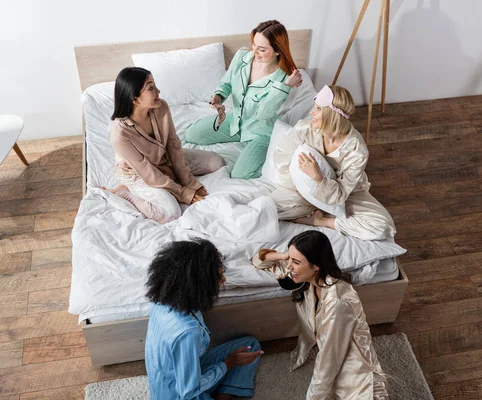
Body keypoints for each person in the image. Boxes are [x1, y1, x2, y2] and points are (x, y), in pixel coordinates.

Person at [256, 231, 388, 400]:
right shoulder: (305, 276)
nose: (289, 266)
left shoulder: (338, 302)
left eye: (295, 262)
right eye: (290, 259)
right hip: (333, 353)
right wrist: (285, 255)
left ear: (316, 265)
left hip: (354, 366)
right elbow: (259, 260)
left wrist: (312, 397)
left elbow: (329, 360)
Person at [270, 85, 396, 241]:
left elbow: (342, 193)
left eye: (317, 109)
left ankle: (323, 220)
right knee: (268, 210)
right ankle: (315, 208)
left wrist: (319, 179)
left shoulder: (357, 150)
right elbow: (282, 156)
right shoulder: (304, 128)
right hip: (303, 193)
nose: (311, 113)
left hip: (348, 195)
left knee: (382, 226)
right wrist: (296, 186)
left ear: (330, 114)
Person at [104, 67, 225, 224]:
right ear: (135, 99)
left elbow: (173, 145)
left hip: (163, 158)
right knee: (170, 213)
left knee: (217, 162)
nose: (158, 91)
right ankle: (125, 193)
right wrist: (183, 193)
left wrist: (188, 181)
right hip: (137, 173)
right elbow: (147, 172)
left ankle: (171, 178)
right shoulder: (120, 135)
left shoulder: (161, 107)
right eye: (151, 88)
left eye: (155, 85)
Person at [145, 239, 263, 400]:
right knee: (233, 361)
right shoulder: (186, 332)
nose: (224, 280)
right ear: (199, 284)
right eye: (219, 277)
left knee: (249, 345)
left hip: (179, 375)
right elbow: (188, 391)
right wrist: (227, 364)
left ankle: (223, 393)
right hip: (179, 395)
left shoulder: (164, 302)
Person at [185, 20, 303, 179]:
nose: (255, 51)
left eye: (262, 49)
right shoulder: (242, 56)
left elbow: (262, 113)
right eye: (254, 45)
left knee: (240, 174)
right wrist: (218, 96)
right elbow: (227, 83)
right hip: (236, 121)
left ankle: (271, 159)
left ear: (277, 51)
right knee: (191, 134)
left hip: (261, 131)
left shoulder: (284, 77)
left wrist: (285, 87)